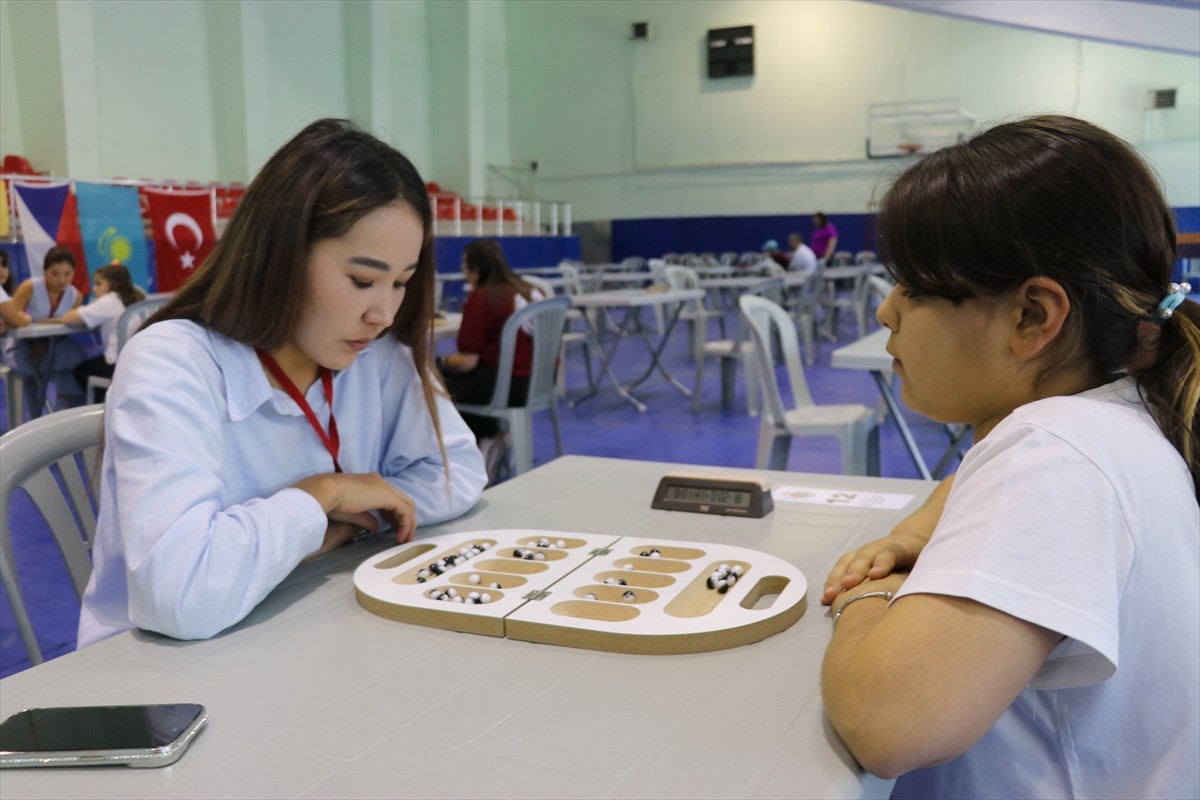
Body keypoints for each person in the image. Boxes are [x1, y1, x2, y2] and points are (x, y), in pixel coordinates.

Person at [819, 115, 1199, 798]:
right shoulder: (1119, 407)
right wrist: (910, 537)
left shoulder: (1057, 451)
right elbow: (971, 476)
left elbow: (889, 722)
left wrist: (869, 592)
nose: (886, 312)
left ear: (1032, 317)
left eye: (913, 286)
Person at [78, 118, 488, 647]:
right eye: (362, 281)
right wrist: (322, 496)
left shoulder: (376, 354)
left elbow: (456, 471)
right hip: (152, 678)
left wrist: (343, 523)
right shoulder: (173, 361)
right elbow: (179, 594)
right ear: (282, 254)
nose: (383, 313)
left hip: (300, 632)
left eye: (402, 283)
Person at [437, 239, 544, 483]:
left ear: (476, 269)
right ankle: (492, 434)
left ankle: (482, 440)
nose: (466, 274)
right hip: (536, 382)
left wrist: (435, 363)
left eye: (466, 268)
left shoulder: (483, 297)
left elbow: (467, 362)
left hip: (506, 386)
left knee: (433, 381)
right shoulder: (529, 290)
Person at [2, 246, 87, 413]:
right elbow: (11, 319)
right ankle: (35, 419)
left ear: (74, 272)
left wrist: (44, 339)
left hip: (54, 346)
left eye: (67, 274)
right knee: (32, 371)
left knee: (77, 356)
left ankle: (67, 412)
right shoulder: (29, 287)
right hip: (21, 346)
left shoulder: (75, 296)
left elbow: (69, 326)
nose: (62, 280)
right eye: (55, 274)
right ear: (45, 271)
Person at [60, 261, 146, 401]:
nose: (94, 289)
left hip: (116, 366)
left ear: (113, 285)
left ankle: (101, 404)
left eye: (99, 284)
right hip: (135, 363)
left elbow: (69, 318)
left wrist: (92, 304)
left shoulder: (109, 300)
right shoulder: (136, 298)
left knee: (80, 371)